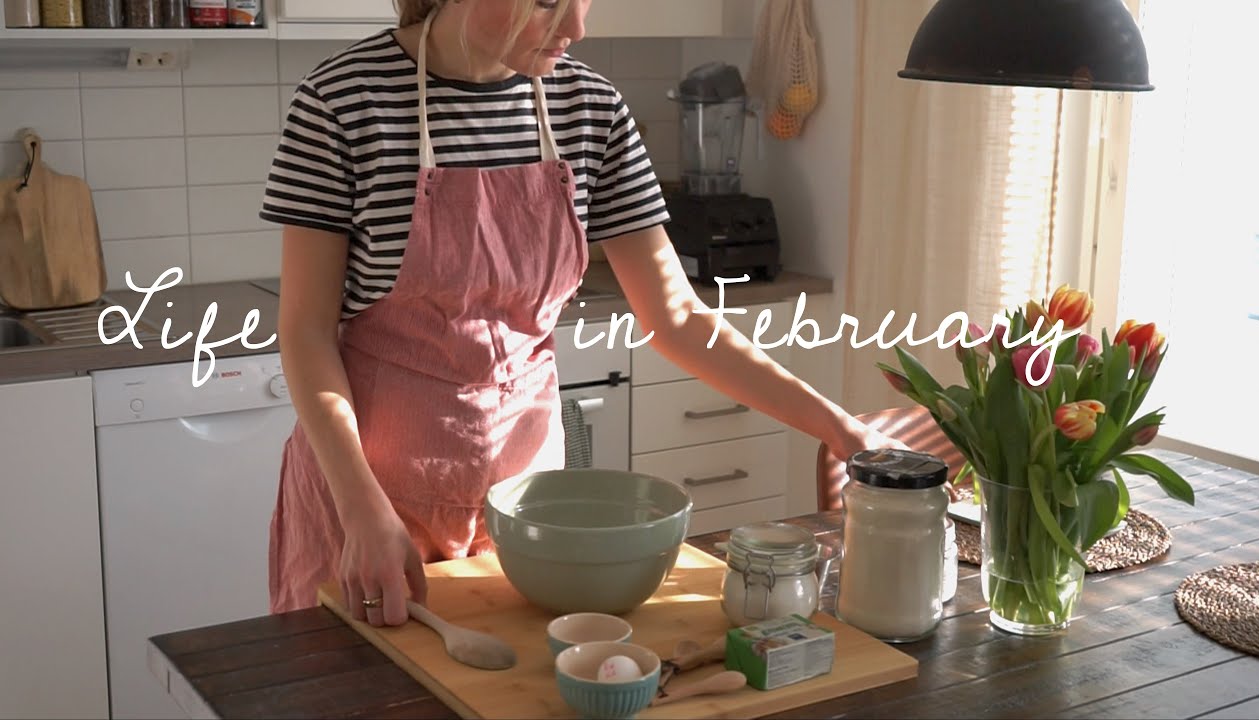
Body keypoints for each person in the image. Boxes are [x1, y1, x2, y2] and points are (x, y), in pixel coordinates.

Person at [261, 0, 903, 629]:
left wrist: (839, 428)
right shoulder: (343, 103)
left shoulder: (588, 107)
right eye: (546, 2)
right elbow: (307, 333)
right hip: (369, 502)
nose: (576, 26)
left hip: (525, 509)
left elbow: (675, 315)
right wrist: (360, 507)